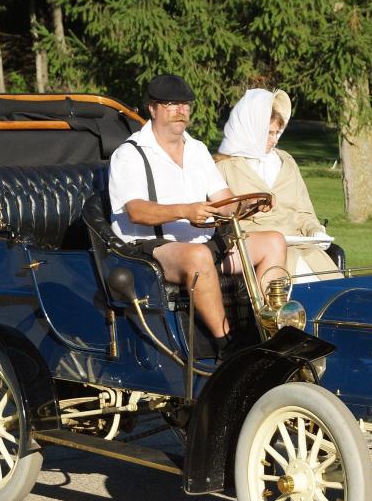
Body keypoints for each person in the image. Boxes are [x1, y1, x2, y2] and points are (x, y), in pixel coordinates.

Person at [108, 74, 286, 353]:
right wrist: (185, 211)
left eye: (185, 105)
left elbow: (223, 201)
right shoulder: (129, 154)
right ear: (152, 109)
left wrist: (249, 204)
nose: (181, 111)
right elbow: (136, 211)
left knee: (273, 241)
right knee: (198, 256)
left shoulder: (197, 149)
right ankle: (225, 343)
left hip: (202, 243)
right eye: (172, 104)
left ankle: (263, 328)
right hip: (148, 250)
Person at [216, 88, 341, 282]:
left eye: (276, 133)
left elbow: (303, 213)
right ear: (252, 128)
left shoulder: (287, 162)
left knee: (336, 286)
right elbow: (220, 218)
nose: (273, 140)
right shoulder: (225, 168)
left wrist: (315, 231)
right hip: (257, 248)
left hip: (301, 246)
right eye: (268, 133)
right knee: (301, 276)